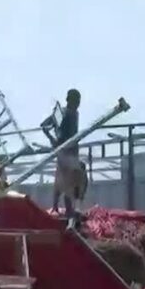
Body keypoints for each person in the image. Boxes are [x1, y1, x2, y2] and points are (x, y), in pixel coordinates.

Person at [52, 89, 88, 218]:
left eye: (79, 101)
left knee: (68, 177)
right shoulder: (65, 113)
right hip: (65, 151)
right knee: (69, 178)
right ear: (69, 100)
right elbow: (57, 131)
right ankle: (67, 209)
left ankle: (66, 208)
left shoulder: (74, 113)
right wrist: (57, 142)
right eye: (76, 101)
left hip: (71, 151)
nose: (78, 103)